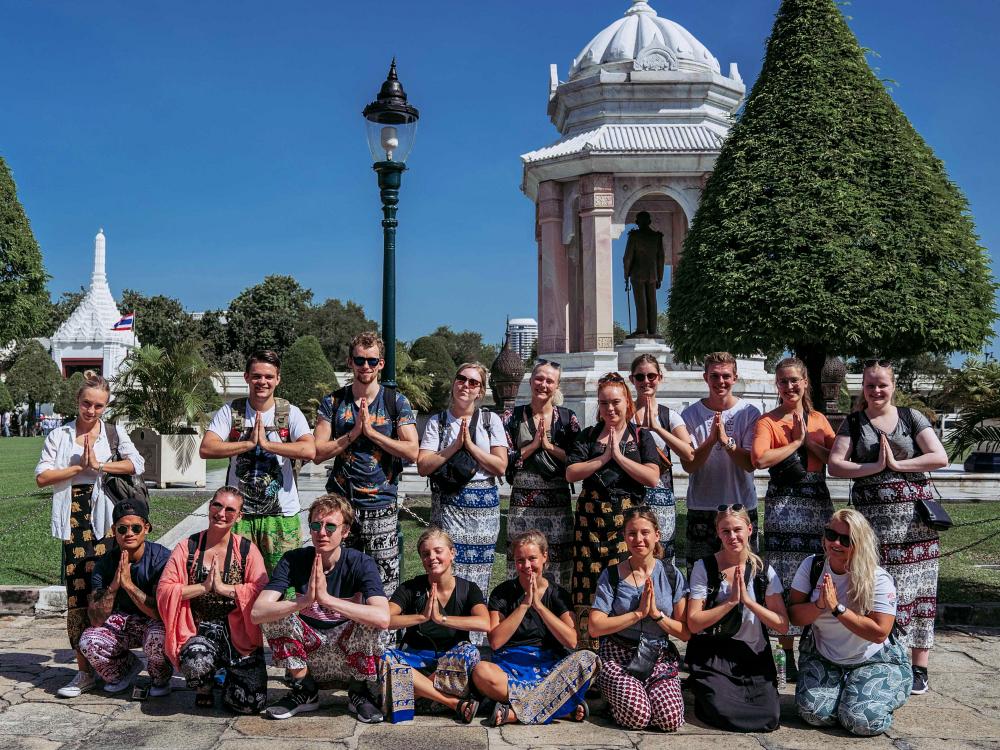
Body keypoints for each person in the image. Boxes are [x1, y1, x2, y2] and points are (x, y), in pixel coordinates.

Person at [827, 359, 948, 695]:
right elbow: (835, 464)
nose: (876, 391)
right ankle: (878, 656)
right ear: (862, 388)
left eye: (882, 384)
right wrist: (874, 466)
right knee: (876, 590)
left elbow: (939, 457)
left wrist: (896, 465)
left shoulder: (911, 417)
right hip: (872, 529)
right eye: (869, 385)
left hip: (914, 528)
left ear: (893, 386)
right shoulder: (855, 422)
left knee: (918, 594)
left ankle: (919, 665)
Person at [35, 370, 146, 699]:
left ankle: (118, 661)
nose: (92, 411)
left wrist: (100, 466)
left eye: (99, 406)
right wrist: (78, 468)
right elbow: (42, 477)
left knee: (114, 590)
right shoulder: (60, 436)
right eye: (87, 404)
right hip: (74, 519)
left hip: (109, 521)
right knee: (78, 596)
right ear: (77, 402)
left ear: (106, 407)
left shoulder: (112, 433)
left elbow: (136, 463)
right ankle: (85, 672)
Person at [252, 494, 390, 722]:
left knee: (372, 620)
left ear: (345, 531)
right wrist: (304, 601)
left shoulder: (360, 562)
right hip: (310, 650)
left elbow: (383, 618)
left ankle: (358, 692)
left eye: (330, 526)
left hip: (348, 652)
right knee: (273, 614)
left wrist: (326, 599)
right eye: (316, 525)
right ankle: (305, 690)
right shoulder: (293, 559)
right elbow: (258, 612)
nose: (321, 532)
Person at [314, 331, 419, 597]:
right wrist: (353, 434)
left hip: (380, 503)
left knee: (382, 581)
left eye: (372, 361)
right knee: (339, 577)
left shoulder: (395, 402)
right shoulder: (334, 401)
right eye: (360, 360)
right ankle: (338, 634)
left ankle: (384, 638)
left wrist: (372, 434)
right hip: (341, 504)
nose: (366, 367)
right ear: (350, 362)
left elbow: (412, 450)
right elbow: (318, 451)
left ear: (381, 364)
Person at [789, 509, 912, 736]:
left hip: (873, 660)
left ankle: (885, 687)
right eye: (831, 534)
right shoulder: (812, 566)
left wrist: (838, 609)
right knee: (814, 713)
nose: (835, 543)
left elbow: (879, 633)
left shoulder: (877, 578)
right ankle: (847, 693)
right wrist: (820, 606)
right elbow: (794, 616)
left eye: (846, 539)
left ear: (860, 542)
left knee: (861, 722)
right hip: (824, 657)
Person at [750, 357, 836, 679]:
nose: (789, 387)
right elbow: (759, 459)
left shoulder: (819, 420)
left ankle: (814, 650)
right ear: (777, 385)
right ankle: (786, 654)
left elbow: (835, 460)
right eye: (783, 381)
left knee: (815, 573)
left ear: (805, 383)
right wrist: (796, 442)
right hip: (783, 503)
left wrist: (810, 442)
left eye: (794, 381)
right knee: (783, 577)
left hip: (815, 500)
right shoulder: (768, 421)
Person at [200, 350, 315, 574]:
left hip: (281, 516)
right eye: (256, 376)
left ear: (278, 379)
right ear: (246, 377)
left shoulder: (290, 412)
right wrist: (248, 444)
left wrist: (268, 445)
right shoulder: (231, 411)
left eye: (269, 377)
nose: (262, 381)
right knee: (236, 576)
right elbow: (207, 448)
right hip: (239, 515)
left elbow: (309, 449)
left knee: (283, 579)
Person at [157, 486, 269, 713]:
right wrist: (203, 587)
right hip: (198, 629)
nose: (221, 513)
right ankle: (204, 686)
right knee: (196, 662)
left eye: (230, 509)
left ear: (239, 516)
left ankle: (230, 678)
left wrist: (225, 589)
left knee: (249, 703)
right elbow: (164, 589)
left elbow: (261, 590)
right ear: (209, 506)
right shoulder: (187, 547)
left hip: (237, 632)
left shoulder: (247, 550)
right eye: (217, 505)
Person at [566, 372, 660, 641]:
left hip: (628, 517)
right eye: (604, 403)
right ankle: (589, 644)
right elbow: (571, 473)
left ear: (627, 402)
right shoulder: (587, 436)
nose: (610, 408)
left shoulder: (641, 437)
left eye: (615, 402)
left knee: (626, 574)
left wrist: (619, 457)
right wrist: (604, 457)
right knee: (588, 577)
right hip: (591, 518)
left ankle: (625, 639)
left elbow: (652, 477)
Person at [472, 530, 598, 726]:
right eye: (520, 560)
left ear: (545, 556)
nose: (526, 566)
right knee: (481, 671)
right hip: (510, 666)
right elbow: (496, 642)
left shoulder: (557, 594)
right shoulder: (503, 593)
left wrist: (539, 606)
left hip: (550, 668)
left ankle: (515, 713)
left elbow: (572, 640)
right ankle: (558, 708)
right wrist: (524, 605)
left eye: (532, 558)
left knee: (589, 660)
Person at [685, 505, 788, 732]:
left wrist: (750, 603)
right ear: (718, 533)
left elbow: (782, 625)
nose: (732, 537)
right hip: (714, 652)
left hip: (752, 653)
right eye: (725, 531)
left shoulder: (763, 570)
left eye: (737, 530)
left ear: (750, 530)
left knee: (769, 716)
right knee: (722, 710)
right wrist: (730, 602)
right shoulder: (705, 567)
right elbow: (693, 622)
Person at [588, 508, 689, 732]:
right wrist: (637, 614)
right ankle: (619, 701)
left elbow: (684, 632)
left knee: (669, 720)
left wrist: (655, 614)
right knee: (637, 716)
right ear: (625, 537)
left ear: (657, 535)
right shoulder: (612, 575)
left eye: (645, 532)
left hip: (656, 655)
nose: (639, 539)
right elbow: (595, 627)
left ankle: (642, 695)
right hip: (619, 656)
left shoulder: (672, 575)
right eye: (632, 533)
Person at [417, 363, 507, 600]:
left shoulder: (490, 420)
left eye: (473, 382)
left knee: (479, 573)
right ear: (454, 383)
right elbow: (423, 465)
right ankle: (445, 628)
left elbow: (500, 466)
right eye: (461, 379)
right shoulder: (438, 422)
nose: (466, 385)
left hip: (484, 509)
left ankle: (474, 634)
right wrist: (454, 446)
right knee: (446, 568)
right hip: (449, 506)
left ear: (480, 391)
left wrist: (471, 447)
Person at [381, 527, 489, 723]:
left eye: (438, 551)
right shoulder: (410, 588)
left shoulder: (468, 589)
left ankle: (408, 696)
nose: (432, 557)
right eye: (426, 554)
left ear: (452, 553)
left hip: (450, 663)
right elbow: (384, 619)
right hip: (416, 661)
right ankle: (452, 702)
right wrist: (421, 618)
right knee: (384, 657)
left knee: (469, 653)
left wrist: (442, 619)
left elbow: (484, 623)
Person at [78, 498, 172, 697]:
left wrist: (128, 585)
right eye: (122, 529)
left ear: (146, 528)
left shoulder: (162, 559)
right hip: (122, 623)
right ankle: (123, 670)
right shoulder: (104, 565)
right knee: (89, 640)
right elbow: (95, 619)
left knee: (158, 635)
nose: (129, 534)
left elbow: (160, 613)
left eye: (135, 528)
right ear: (114, 530)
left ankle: (160, 676)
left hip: (153, 622)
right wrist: (114, 585)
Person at [502, 359, 581, 588]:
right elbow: (503, 459)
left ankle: (556, 616)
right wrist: (531, 447)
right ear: (530, 380)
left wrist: (548, 447)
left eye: (549, 380)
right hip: (522, 506)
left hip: (557, 505)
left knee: (558, 564)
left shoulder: (568, 419)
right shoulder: (511, 417)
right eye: (539, 378)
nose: (543, 384)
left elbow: (577, 460)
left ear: (557, 386)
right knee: (521, 560)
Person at [680, 352, 761, 573]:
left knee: (745, 573)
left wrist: (726, 442)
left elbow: (750, 464)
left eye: (726, 376)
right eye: (714, 376)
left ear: (735, 378)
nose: (720, 382)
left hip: (740, 506)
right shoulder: (689, 415)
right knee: (700, 577)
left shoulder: (749, 413)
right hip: (702, 507)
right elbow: (689, 465)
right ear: (705, 377)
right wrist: (710, 441)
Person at [629, 354, 694, 561]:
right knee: (631, 556)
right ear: (632, 380)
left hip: (661, 496)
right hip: (629, 495)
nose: (646, 381)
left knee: (662, 556)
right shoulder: (623, 412)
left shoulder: (669, 415)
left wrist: (657, 428)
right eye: (640, 377)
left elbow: (689, 453)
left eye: (651, 376)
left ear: (659, 378)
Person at [622, 211, 665, 338]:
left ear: (637, 222)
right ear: (649, 222)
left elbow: (627, 258)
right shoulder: (657, 237)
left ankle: (641, 329)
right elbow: (661, 258)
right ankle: (652, 330)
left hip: (637, 273)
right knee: (652, 301)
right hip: (653, 274)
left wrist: (626, 274)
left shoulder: (634, 236)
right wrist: (660, 277)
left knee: (641, 302)